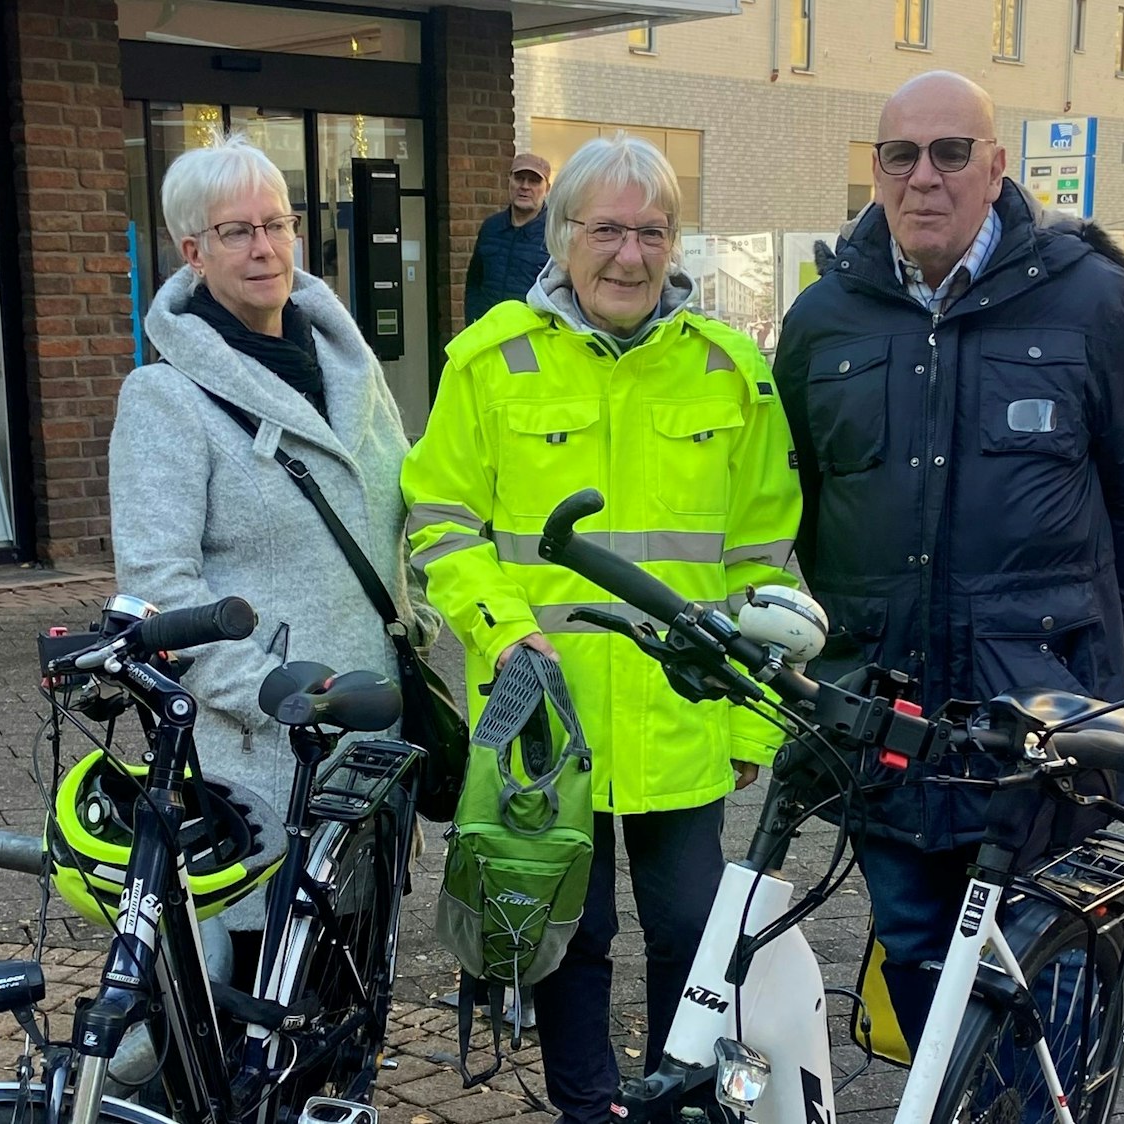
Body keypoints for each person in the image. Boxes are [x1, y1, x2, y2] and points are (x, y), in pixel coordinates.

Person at [773, 72, 1124, 1048]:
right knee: (912, 939)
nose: (925, 177)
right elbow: (796, 503)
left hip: (1034, 712)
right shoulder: (825, 319)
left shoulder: (1087, 302)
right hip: (887, 701)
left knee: (1039, 948)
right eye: (900, 155)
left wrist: (1076, 640)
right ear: (874, 169)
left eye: (951, 152)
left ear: (995, 167)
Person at [404, 133, 802, 1124]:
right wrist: (502, 635)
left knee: (688, 929)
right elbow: (441, 523)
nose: (628, 254)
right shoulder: (492, 361)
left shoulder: (730, 369)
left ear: (674, 242)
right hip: (548, 711)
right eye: (606, 229)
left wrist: (754, 725)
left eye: (651, 231)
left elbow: (763, 559)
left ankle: (672, 1101)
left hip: (686, 713)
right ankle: (585, 1105)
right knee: (566, 929)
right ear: (562, 232)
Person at [108, 133, 418, 983]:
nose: (263, 247)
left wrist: (418, 611)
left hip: (370, 735)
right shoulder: (164, 397)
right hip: (261, 749)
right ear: (192, 250)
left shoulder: (352, 372)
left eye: (276, 224)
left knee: (352, 988)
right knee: (257, 991)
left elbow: (399, 514)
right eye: (236, 231)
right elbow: (157, 588)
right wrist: (268, 690)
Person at [463, 151, 552, 326]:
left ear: (547, 188)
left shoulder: (555, 234)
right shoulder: (491, 227)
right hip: (488, 332)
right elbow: (474, 281)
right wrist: (472, 321)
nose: (525, 186)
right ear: (509, 181)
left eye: (534, 181)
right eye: (519, 178)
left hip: (531, 339)